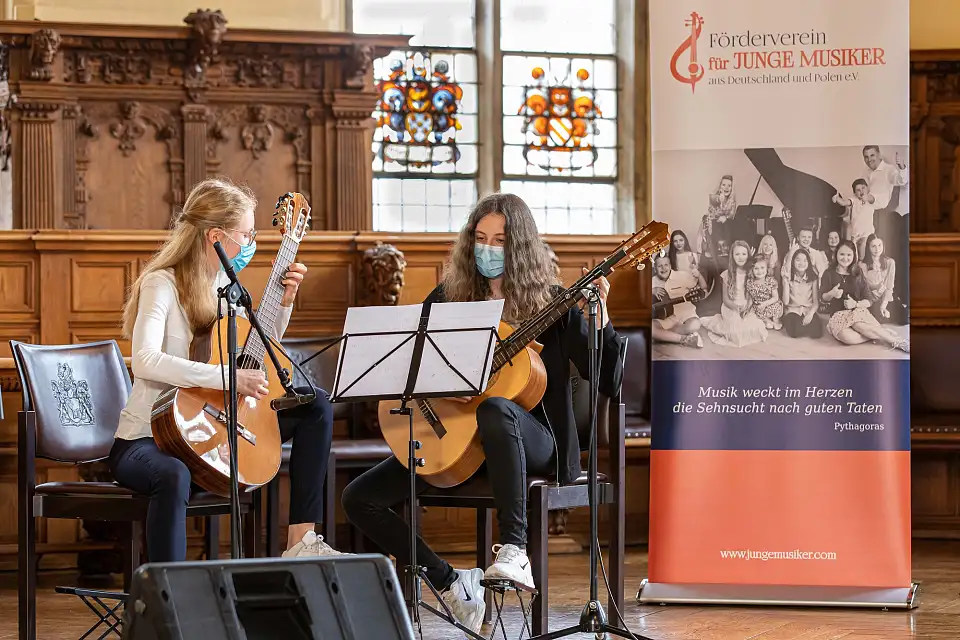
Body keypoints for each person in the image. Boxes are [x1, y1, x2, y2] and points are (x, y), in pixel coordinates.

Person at [341, 193, 624, 635]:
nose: (488, 249)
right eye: (480, 238)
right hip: (460, 440)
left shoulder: (553, 303)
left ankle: (514, 552)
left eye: (500, 240)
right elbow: (414, 366)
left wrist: (600, 318)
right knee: (359, 497)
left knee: (497, 407)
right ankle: (452, 583)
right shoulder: (449, 297)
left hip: (536, 440)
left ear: (521, 247)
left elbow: (607, 377)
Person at [109, 177, 344, 564]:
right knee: (172, 475)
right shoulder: (160, 283)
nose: (251, 244)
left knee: (315, 405)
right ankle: (170, 596)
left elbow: (257, 352)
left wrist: (283, 302)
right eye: (246, 235)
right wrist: (227, 379)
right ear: (215, 235)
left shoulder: (223, 284)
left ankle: (301, 540)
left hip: (206, 428)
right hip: (146, 438)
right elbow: (145, 359)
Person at [651, 253, 706, 348]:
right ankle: (685, 339)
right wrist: (651, 290)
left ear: (670, 265)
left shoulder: (682, 276)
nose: (663, 268)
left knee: (695, 324)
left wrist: (699, 275)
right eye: (659, 266)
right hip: (666, 318)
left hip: (686, 314)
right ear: (655, 268)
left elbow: (703, 287)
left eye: (666, 265)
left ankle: (662, 336)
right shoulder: (652, 281)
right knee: (649, 327)